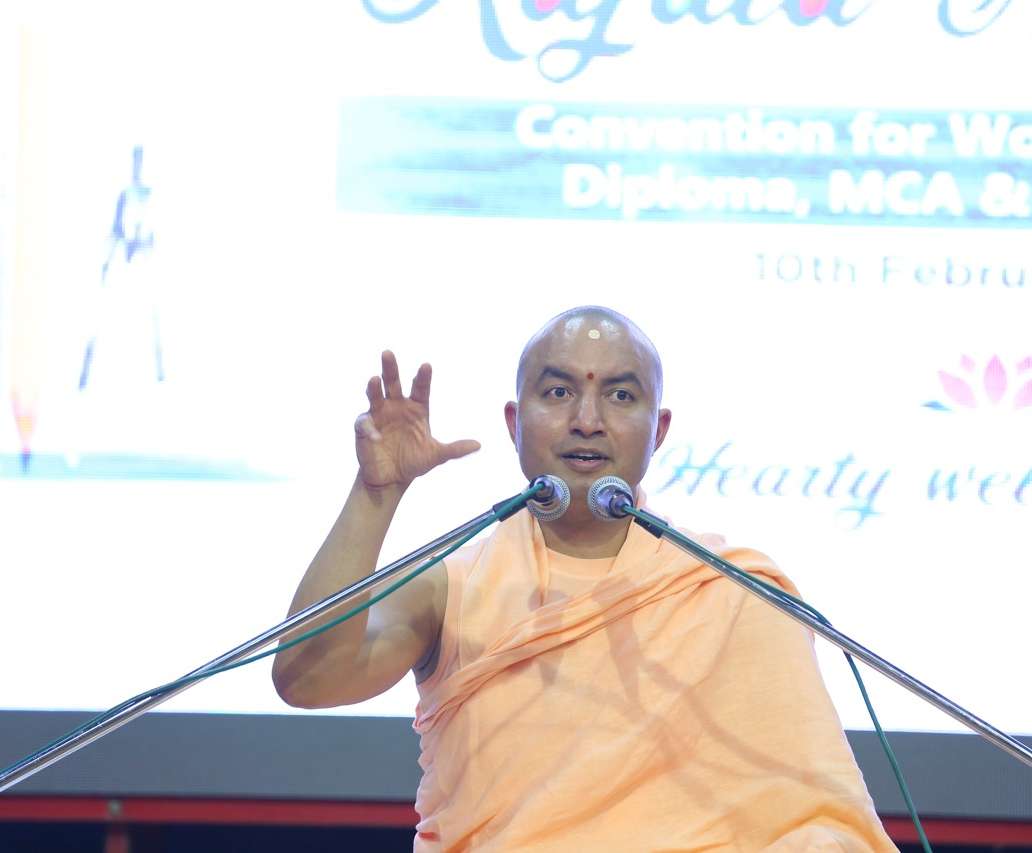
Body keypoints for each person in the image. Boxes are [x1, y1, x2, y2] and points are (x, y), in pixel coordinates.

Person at [272, 306, 898, 852]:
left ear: (659, 430)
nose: (587, 420)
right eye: (558, 392)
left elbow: (815, 819)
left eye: (621, 397)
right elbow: (306, 678)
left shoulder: (734, 591)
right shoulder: (448, 588)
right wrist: (376, 494)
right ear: (514, 423)